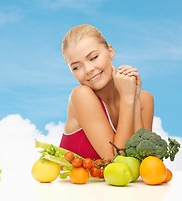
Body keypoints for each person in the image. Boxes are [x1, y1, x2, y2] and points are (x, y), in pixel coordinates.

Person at [59, 24, 154, 161]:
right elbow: (116, 161)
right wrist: (127, 99)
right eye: (76, 67)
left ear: (111, 52)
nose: (88, 69)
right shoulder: (81, 95)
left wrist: (135, 100)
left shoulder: (145, 99)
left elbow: (145, 162)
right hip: (68, 182)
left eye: (93, 58)